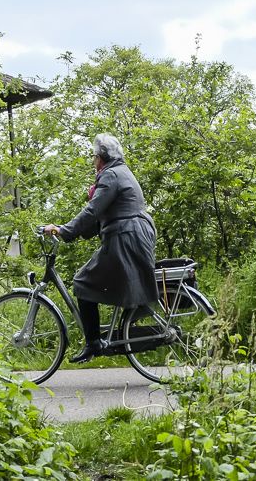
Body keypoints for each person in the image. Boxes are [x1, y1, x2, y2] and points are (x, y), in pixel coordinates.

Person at [42, 133, 158, 363]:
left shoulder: (112, 175)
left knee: (83, 282)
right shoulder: (120, 172)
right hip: (132, 233)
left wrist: (64, 230)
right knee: (107, 280)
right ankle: (127, 321)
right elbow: (101, 216)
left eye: (94, 157)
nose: (93, 162)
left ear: (102, 158)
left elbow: (93, 211)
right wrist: (74, 232)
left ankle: (94, 343)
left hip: (126, 236)